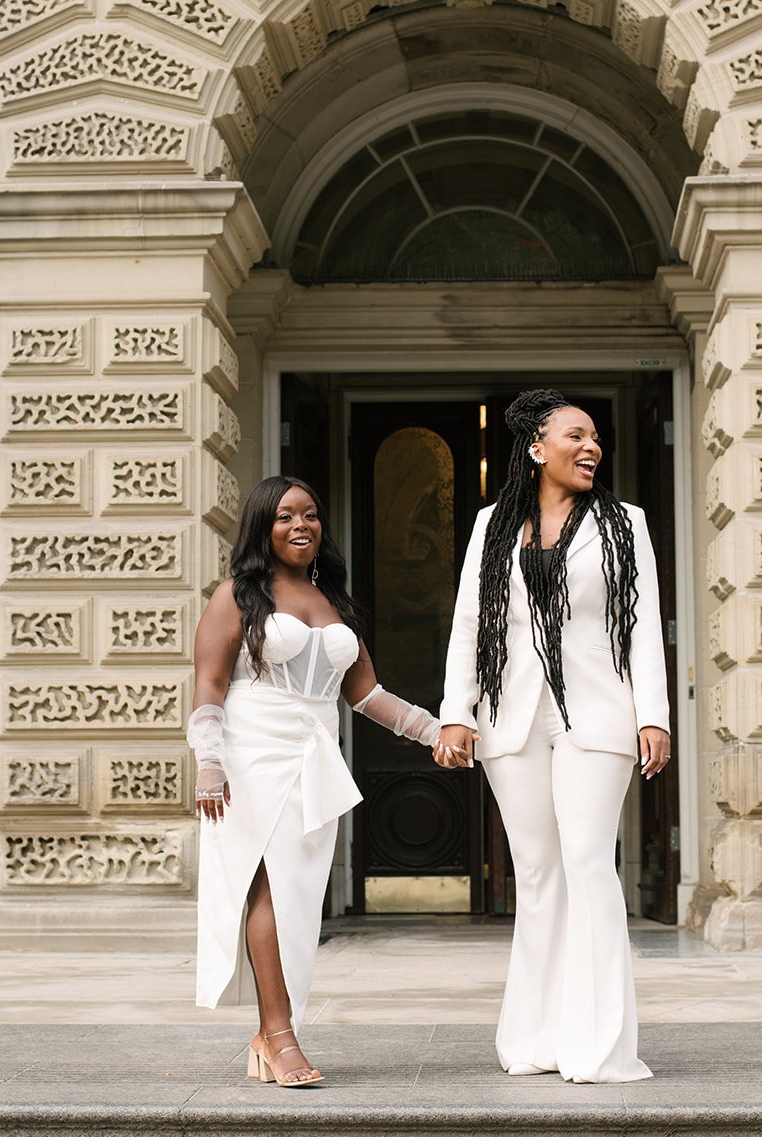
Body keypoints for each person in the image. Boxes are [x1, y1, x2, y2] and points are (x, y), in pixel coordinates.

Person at [435, 389, 671, 1083]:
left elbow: (643, 624)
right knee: (537, 875)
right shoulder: (492, 525)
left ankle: (599, 1046)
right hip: (512, 716)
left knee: (590, 863)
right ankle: (537, 1039)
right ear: (537, 448)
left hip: (598, 715)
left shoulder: (626, 523)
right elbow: (470, 621)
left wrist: (651, 712)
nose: (591, 445)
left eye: (596, 436)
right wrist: (457, 708)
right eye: (575, 434)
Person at [189, 474, 443, 1087]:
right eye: (284, 516)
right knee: (267, 892)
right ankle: (280, 1036)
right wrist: (209, 761)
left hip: (314, 761)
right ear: (261, 527)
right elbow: (209, 686)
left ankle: (269, 1030)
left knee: (301, 902)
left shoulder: (336, 601)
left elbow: (366, 694)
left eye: (309, 514)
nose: (300, 525)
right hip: (250, 758)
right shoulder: (236, 596)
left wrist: (436, 732)